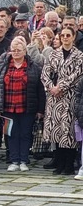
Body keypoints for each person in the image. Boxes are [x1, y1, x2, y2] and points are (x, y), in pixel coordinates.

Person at [0, 37, 45, 172]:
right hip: (8, 107)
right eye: (13, 50)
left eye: (18, 50)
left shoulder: (34, 68)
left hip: (27, 107)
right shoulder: (3, 67)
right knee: (11, 134)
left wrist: (40, 110)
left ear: (24, 51)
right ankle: (14, 160)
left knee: (25, 134)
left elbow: (40, 90)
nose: (15, 52)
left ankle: (24, 160)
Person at [41, 27, 83, 175]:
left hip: (70, 96)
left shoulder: (79, 56)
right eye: (63, 35)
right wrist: (51, 87)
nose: (65, 38)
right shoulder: (53, 54)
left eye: (68, 35)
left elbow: (77, 74)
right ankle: (59, 164)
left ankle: (69, 165)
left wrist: (61, 86)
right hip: (54, 97)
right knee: (56, 130)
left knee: (68, 131)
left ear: (73, 37)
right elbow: (45, 73)